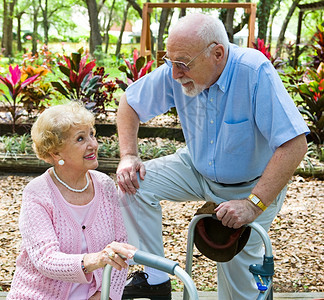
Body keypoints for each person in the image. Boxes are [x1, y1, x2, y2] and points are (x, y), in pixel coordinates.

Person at [116, 13, 309, 300]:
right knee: (132, 184)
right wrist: (129, 155)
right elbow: (129, 103)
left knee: (237, 285)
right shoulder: (180, 69)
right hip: (196, 167)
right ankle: (154, 279)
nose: (174, 74)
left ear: (217, 53)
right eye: (170, 63)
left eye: (182, 65)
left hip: (252, 186)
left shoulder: (253, 71)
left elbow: (295, 144)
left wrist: (253, 205)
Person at [7, 102, 136, 300]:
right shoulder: (37, 193)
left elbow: (121, 249)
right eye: (80, 139)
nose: (93, 144)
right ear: (56, 153)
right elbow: (46, 259)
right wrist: (94, 260)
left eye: (92, 134)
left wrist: (104, 295)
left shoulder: (105, 185)